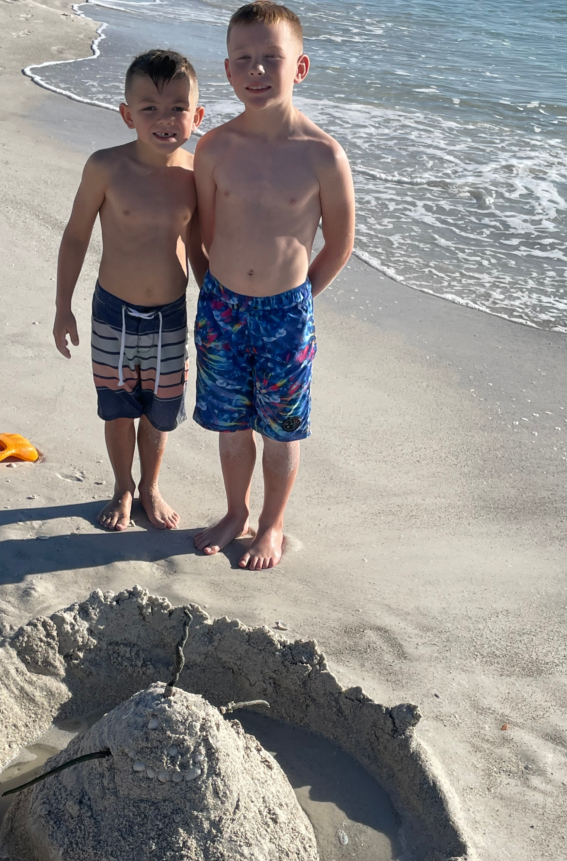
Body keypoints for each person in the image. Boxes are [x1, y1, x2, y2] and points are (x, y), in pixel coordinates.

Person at [192, 1, 354, 569]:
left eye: (271, 58)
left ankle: (272, 523)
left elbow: (339, 244)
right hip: (221, 306)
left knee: (282, 429)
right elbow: (201, 234)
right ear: (229, 70)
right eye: (244, 60)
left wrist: (300, 298)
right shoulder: (214, 147)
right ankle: (235, 510)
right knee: (232, 423)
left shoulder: (323, 155)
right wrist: (209, 296)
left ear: (300, 68)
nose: (257, 70)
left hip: (287, 311)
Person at [53, 50, 205, 531]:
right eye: (150, 108)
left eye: (178, 107)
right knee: (118, 408)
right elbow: (76, 235)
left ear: (197, 116)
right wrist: (63, 308)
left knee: (161, 413)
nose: (165, 119)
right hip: (111, 311)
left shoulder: (198, 175)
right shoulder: (105, 167)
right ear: (126, 114)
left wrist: (214, 311)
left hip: (169, 315)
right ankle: (123, 485)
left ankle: (151, 486)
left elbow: (199, 248)